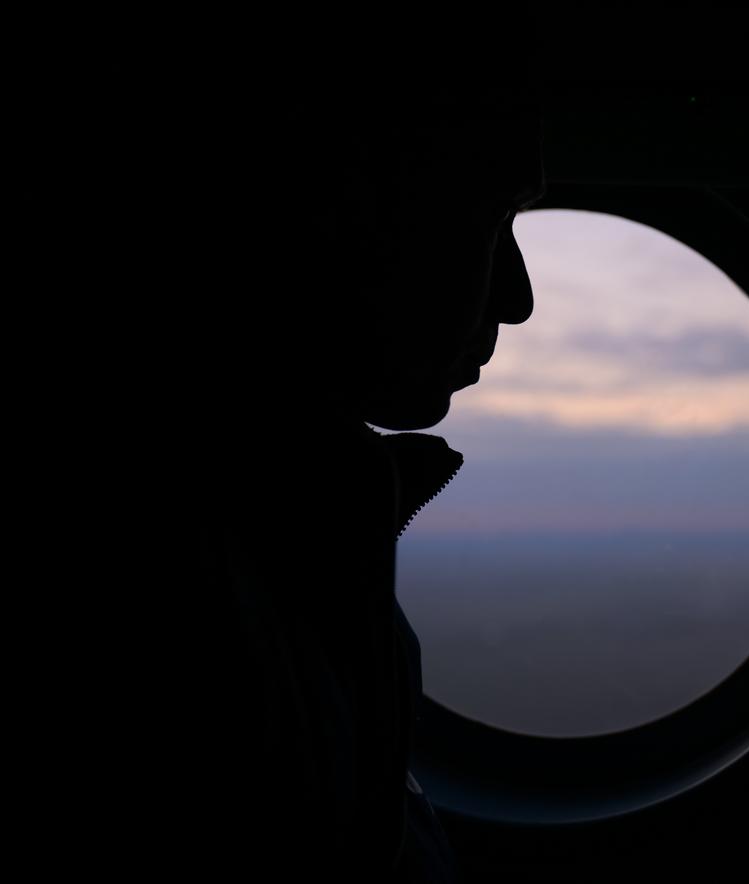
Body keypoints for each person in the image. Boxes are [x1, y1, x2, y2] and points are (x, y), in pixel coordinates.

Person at [141, 59, 544, 879]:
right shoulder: (199, 577)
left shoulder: (301, 529)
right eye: (492, 213)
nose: (519, 296)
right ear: (348, 202)